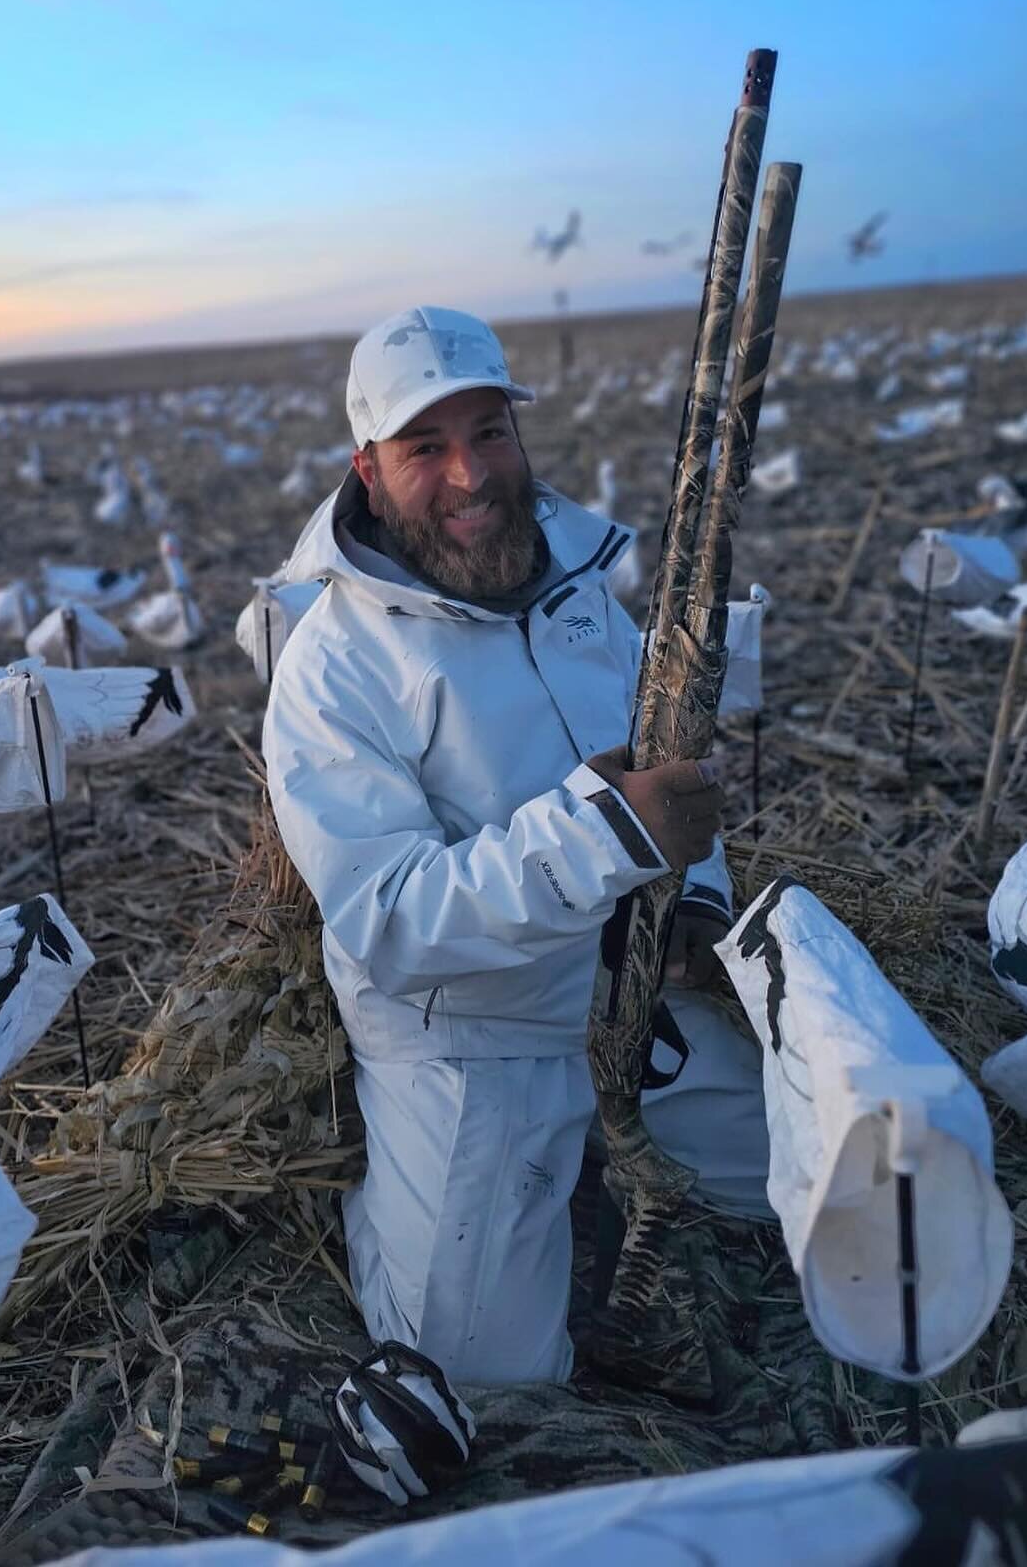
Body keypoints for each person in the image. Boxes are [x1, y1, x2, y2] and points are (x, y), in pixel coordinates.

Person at [263, 306, 771, 1386]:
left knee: (798, 1193)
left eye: (488, 432)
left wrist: (694, 899)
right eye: (425, 448)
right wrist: (608, 834)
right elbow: (394, 923)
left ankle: (607, 1166)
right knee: (483, 1380)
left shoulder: (584, 594)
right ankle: (397, 1197)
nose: (469, 474)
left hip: (634, 1003)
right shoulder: (333, 671)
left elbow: (671, 778)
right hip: (471, 1042)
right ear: (365, 466)